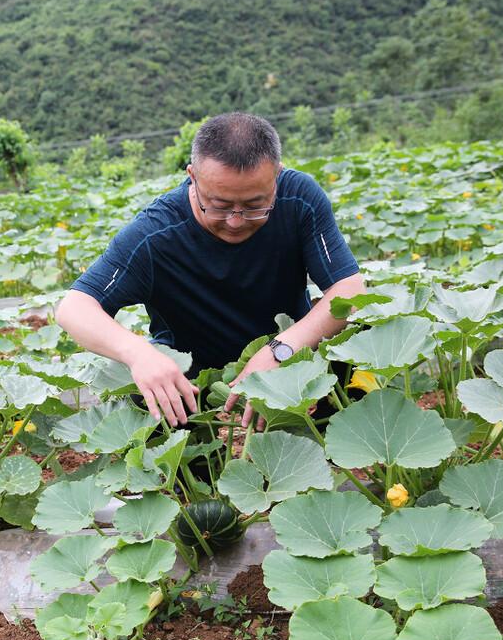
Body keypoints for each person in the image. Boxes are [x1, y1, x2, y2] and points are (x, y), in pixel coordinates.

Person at [54, 111, 365, 429]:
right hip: (193, 382)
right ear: (193, 176)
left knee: (360, 338)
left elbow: (350, 289)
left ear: (277, 176)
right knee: (152, 412)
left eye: (255, 205)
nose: (236, 219)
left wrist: (282, 350)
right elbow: (75, 307)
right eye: (218, 204)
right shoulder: (155, 233)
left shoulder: (300, 198)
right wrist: (138, 354)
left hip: (289, 363)